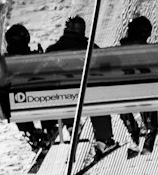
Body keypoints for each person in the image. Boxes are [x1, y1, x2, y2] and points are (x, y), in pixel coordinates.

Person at [47, 16, 116, 151]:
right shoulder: (91, 48)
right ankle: (104, 138)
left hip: (62, 96)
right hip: (88, 93)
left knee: (60, 92)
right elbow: (104, 68)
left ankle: (71, 124)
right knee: (96, 98)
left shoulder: (53, 50)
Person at [5, 24, 49, 153]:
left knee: (13, 101)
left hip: (18, 101)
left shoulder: (5, 61)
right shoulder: (34, 57)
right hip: (40, 98)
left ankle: (29, 131)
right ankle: (48, 126)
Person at [119, 15, 158, 151]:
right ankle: (150, 128)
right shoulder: (149, 52)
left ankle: (131, 128)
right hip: (145, 90)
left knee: (119, 96)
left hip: (123, 92)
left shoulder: (120, 51)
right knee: (147, 90)